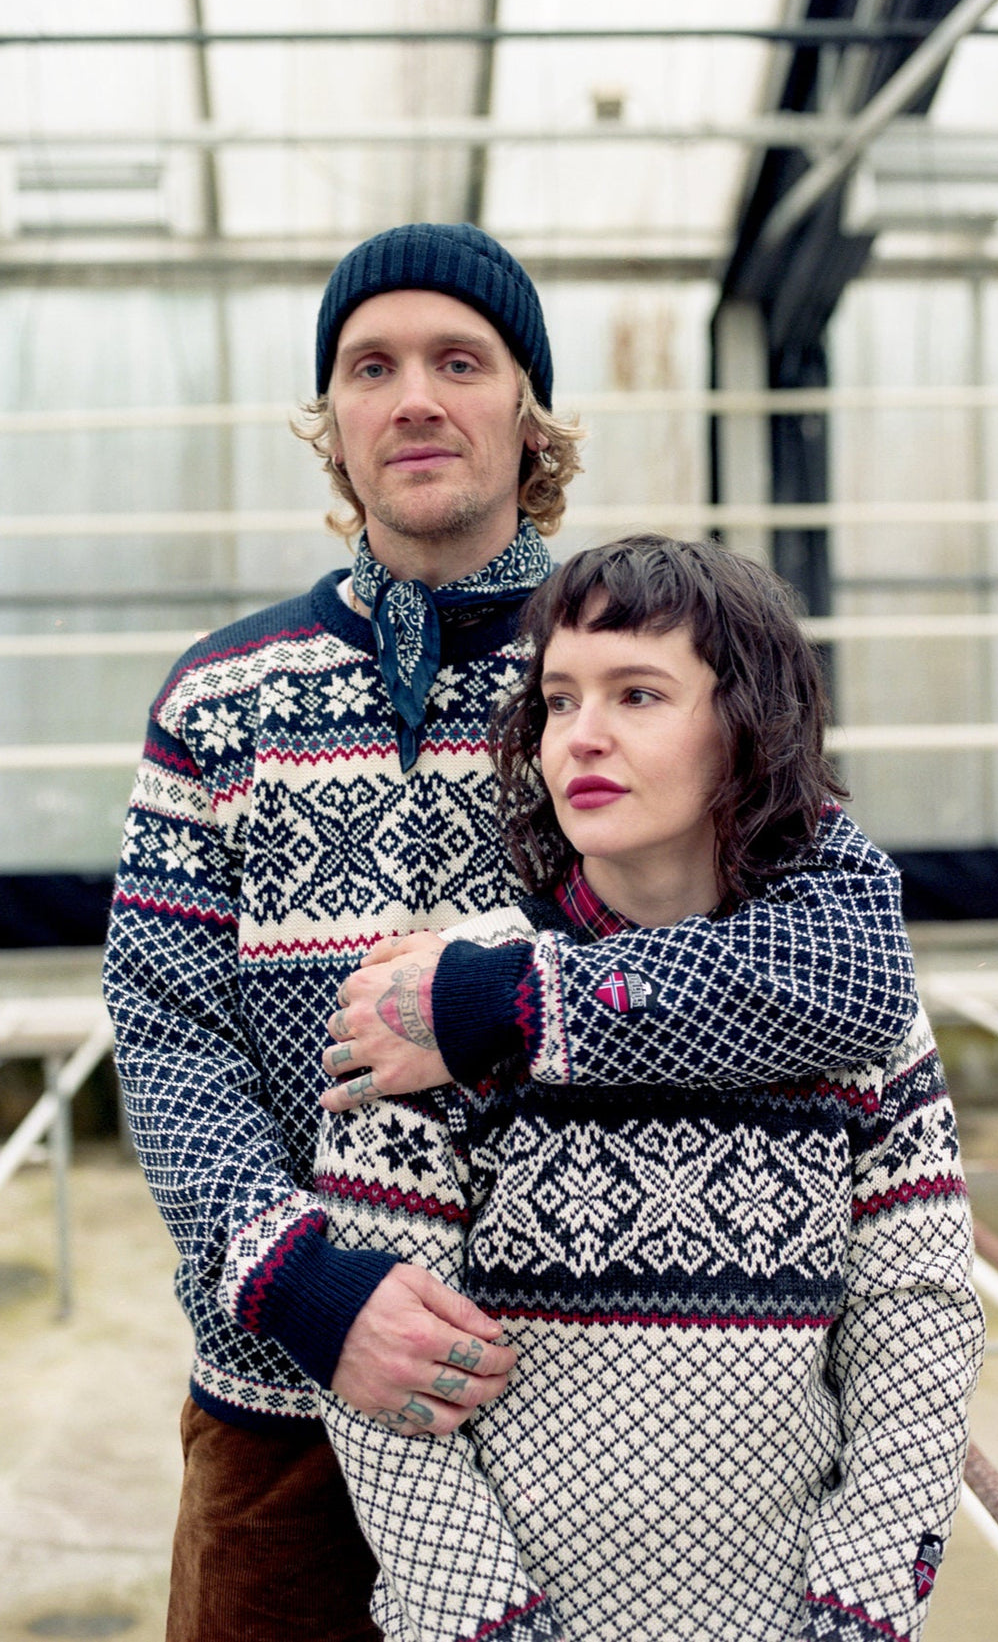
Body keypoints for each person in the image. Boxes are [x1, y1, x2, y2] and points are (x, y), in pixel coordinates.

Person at [103, 220, 919, 1642]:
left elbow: (840, 961)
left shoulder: (641, 665)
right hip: (281, 1404)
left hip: (572, 1410)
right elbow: (170, 1032)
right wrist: (305, 1282)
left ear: (527, 411)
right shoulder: (217, 698)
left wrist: (512, 1004)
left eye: (458, 360)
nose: (414, 396)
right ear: (334, 425)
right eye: (371, 366)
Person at [316, 536, 984, 1642]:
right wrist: (487, 1626)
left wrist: (856, 1611)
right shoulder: (435, 1006)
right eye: (558, 697)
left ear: (745, 725)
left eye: (638, 693)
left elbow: (912, 1325)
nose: (580, 734)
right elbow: (387, 1395)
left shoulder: (850, 1010)